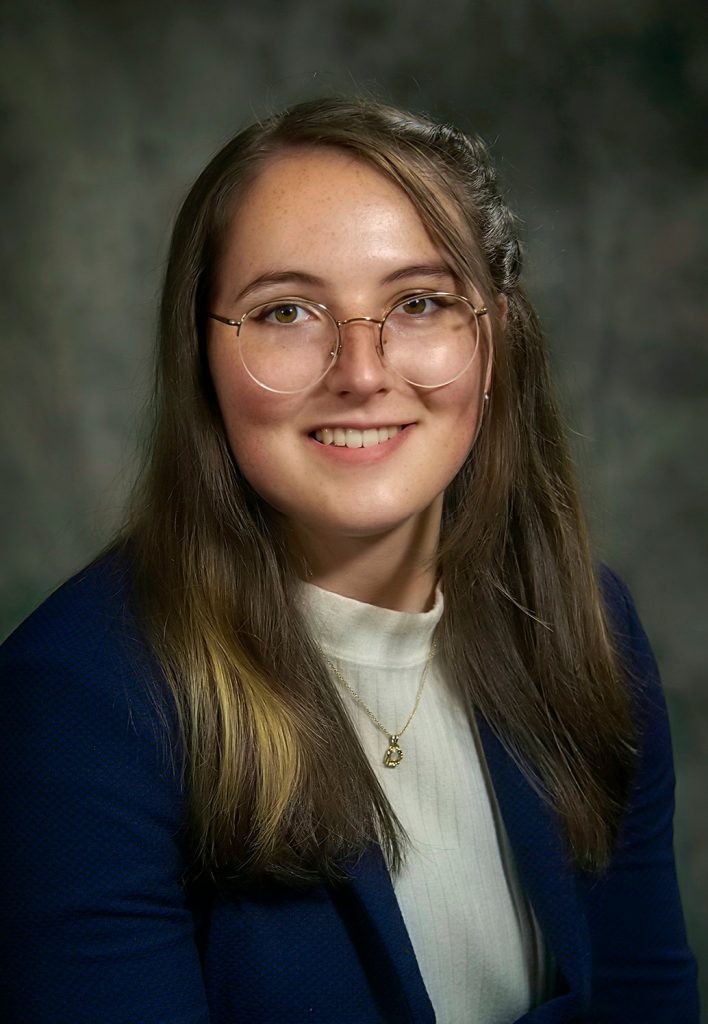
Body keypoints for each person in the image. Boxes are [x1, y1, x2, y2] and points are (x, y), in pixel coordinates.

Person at [0, 97, 699, 1023]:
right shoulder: (75, 707)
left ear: (494, 342)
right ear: (201, 356)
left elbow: (645, 1000)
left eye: (418, 303)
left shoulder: (588, 629)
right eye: (286, 310)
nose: (362, 373)